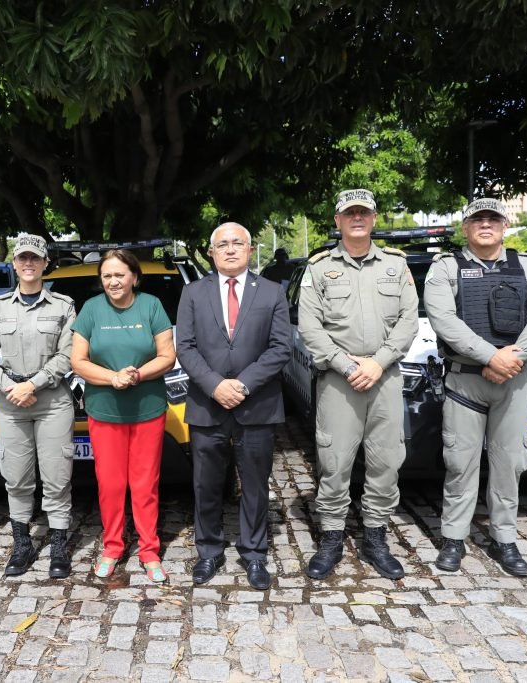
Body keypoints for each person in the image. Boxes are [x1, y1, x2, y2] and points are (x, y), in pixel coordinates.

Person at [424, 198, 527, 576]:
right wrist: (489, 356)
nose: (486, 225)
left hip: (515, 380)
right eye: (477, 220)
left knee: (509, 464)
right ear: (465, 228)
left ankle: (504, 539)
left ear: (503, 225)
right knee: (460, 463)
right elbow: (443, 319)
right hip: (465, 381)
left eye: (493, 219)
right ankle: (453, 538)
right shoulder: (446, 267)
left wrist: (512, 358)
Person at [297, 189, 419, 580]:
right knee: (334, 463)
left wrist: (378, 362)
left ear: (374, 217)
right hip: (339, 380)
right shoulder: (318, 268)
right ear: (337, 221)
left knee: (385, 462)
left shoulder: (396, 266)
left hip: (384, 377)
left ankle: (375, 537)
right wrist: (347, 366)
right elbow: (310, 327)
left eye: (363, 212)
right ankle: (331, 537)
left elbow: (408, 321)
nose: (357, 218)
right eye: (349, 213)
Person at [176, 223, 292, 590]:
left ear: (250, 248)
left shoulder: (272, 292)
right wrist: (214, 385)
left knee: (256, 485)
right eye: (221, 244)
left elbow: (280, 348)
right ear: (211, 252)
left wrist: (241, 385)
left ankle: (254, 553)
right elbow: (186, 347)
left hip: (256, 404)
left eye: (236, 243)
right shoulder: (192, 293)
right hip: (207, 405)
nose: (229, 250)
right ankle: (208, 550)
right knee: (206, 484)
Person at [0, 234, 77, 577]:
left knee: (56, 475)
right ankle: (22, 543)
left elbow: (68, 355)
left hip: (51, 399)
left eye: (35, 258)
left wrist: (33, 384)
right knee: (16, 476)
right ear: (15, 264)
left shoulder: (63, 306)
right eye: (22, 259)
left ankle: (59, 544)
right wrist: (9, 386)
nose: (28, 264)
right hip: (11, 401)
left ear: (45, 263)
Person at [70, 249, 176, 583]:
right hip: (104, 411)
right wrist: (112, 377)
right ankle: (112, 547)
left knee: (145, 485)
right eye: (107, 276)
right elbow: (78, 361)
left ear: (134, 277)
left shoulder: (151, 305)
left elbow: (167, 356)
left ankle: (149, 550)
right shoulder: (91, 309)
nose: (114, 281)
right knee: (112, 485)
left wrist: (138, 375)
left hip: (147, 409)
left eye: (120, 275)